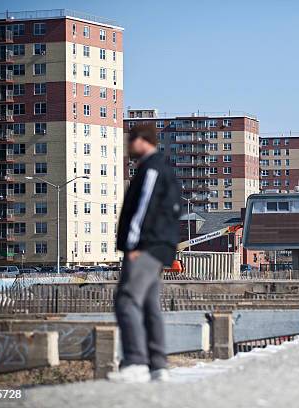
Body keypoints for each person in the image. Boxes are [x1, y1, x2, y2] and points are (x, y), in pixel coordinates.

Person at [109, 124, 181, 383]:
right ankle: (158, 366)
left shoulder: (151, 168)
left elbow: (143, 208)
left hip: (146, 246)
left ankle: (136, 361)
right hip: (159, 245)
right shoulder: (164, 167)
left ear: (142, 141)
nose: (129, 147)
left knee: (126, 299)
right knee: (150, 304)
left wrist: (133, 246)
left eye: (131, 141)